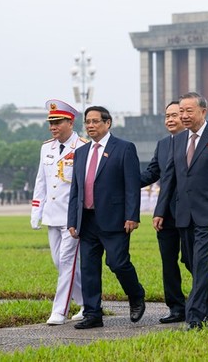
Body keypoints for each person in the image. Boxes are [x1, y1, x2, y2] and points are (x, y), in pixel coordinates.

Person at [153, 92, 208, 330]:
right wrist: (160, 211)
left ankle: (195, 314)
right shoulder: (178, 140)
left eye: (188, 111)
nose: (183, 115)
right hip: (183, 212)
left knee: (201, 262)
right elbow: (169, 178)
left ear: (203, 111)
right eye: (180, 111)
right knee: (191, 262)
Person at [68, 106, 146, 329]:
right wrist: (72, 220)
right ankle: (93, 313)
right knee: (90, 268)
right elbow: (76, 189)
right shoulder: (81, 152)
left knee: (118, 263)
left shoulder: (123, 148)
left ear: (107, 123)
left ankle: (136, 295)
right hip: (87, 219)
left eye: (95, 121)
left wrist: (132, 215)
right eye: (87, 122)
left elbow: (132, 185)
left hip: (115, 218)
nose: (90, 126)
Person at [30, 99, 86, 325]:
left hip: (72, 217)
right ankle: (88, 303)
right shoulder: (46, 148)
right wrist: (36, 212)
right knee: (59, 262)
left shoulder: (82, 146)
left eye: (58, 122)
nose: (53, 127)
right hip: (52, 215)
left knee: (66, 261)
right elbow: (41, 182)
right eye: (50, 123)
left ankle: (59, 311)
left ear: (70, 122)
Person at [140, 101, 187, 324]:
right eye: (167, 116)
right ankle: (176, 307)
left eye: (174, 115)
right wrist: (124, 178)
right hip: (165, 213)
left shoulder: (195, 142)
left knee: (192, 261)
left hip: (191, 213)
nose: (170, 119)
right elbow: (152, 174)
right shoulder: (163, 144)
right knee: (168, 262)